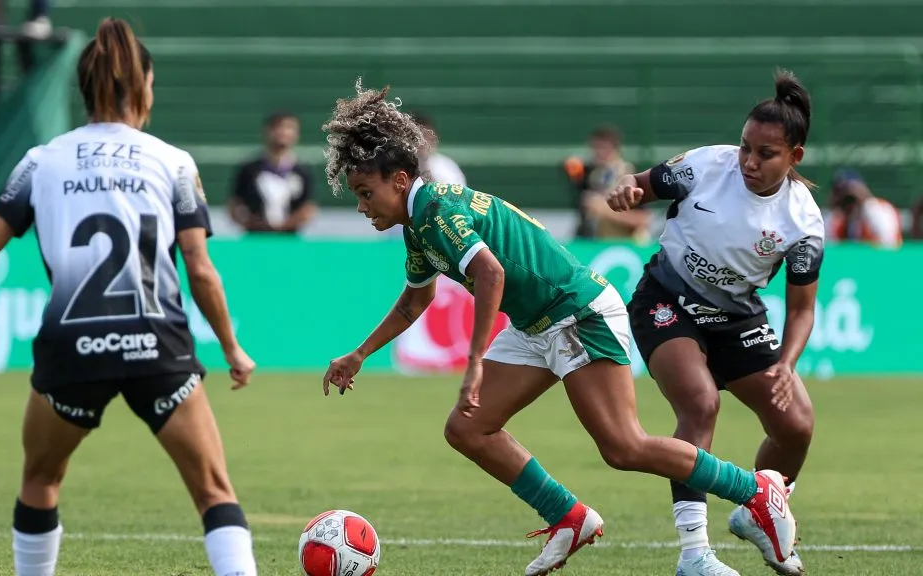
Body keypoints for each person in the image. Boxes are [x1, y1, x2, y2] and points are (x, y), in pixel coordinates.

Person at [318, 78, 798, 576]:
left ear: (398, 181)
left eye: (365, 192)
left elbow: (491, 272)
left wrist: (476, 363)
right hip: (537, 324)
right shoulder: (419, 224)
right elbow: (415, 301)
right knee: (467, 428)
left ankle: (756, 491)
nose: (361, 205)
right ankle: (569, 518)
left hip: (577, 313)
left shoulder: (437, 208)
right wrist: (360, 353)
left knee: (623, 446)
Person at [0, 18, 258, 576]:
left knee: (41, 480)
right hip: (155, 344)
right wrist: (232, 348)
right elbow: (199, 268)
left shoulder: (40, 162)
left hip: (74, 345)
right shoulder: (174, 162)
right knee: (214, 491)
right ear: (143, 85)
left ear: (85, 87)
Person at [606, 69, 822, 576]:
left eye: (765, 154)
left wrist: (786, 365)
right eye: (746, 146)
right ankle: (694, 554)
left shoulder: (803, 222)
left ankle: (758, 510)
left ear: (795, 157)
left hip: (736, 314)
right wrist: (626, 190)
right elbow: (639, 184)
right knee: (700, 404)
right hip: (666, 299)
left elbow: (803, 309)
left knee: (796, 424)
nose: (748, 160)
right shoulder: (705, 165)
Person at [228, 111, 317, 234]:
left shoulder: (303, 171)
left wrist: (286, 225)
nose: (283, 132)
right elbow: (234, 205)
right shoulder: (249, 170)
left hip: (290, 241)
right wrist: (248, 221)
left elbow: (308, 209)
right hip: (255, 239)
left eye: (289, 128)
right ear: (266, 131)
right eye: (278, 127)